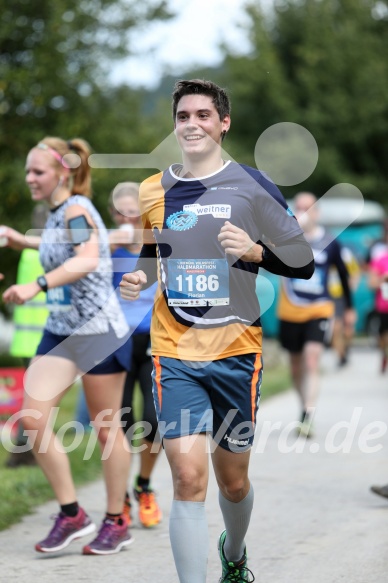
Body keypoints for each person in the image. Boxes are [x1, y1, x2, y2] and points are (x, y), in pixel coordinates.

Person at [119, 79, 314, 583]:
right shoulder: (152, 189)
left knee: (233, 483)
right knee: (186, 477)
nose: (192, 124)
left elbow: (302, 262)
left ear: (223, 123)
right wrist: (139, 274)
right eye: (184, 116)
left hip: (236, 350)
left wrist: (255, 253)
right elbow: (151, 249)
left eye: (203, 115)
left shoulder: (252, 185)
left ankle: (236, 551)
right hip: (173, 349)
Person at [1, 136, 133, 555]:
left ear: (62, 172)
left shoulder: (76, 210)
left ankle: (117, 521)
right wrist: (21, 241)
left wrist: (35, 284)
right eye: (27, 171)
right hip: (61, 330)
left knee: (105, 428)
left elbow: (87, 256)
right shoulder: (60, 214)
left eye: (37, 171)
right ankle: (72, 513)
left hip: (98, 332)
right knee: (34, 417)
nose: (29, 178)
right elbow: (60, 247)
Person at [277, 192, 356, 438]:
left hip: (319, 309)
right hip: (290, 311)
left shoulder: (330, 243)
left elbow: (343, 276)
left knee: (312, 359)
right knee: (295, 366)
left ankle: (308, 416)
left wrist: (349, 309)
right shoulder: (284, 239)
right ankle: (303, 407)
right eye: (298, 208)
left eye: (307, 208)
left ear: (317, 212)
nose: (302, 212)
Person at [110, 181, 162, 528]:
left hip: (154, 340)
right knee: (122, 424)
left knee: (155, 423)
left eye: (135, 213)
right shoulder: (105, 249)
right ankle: (122, 498)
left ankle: (144, 486)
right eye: (123, 213)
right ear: (114, 215)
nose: (129, 219)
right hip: (116, 343)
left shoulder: (158, 247)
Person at [6, 204, 49, 468]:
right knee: (38, 402)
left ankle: (25, 450)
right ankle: (24, 451)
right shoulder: (43, 252)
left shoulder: (27, 252)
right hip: (42, 337)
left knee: (33, 398)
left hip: (27, 338)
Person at [328, 245, 360, 367]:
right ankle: (341, 355)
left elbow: (355, 272)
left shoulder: (345, 253)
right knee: (335, 328)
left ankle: (345, 349)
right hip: (329, 296)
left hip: (343, 295)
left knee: (348, 328)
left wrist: (352, 286)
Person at [368, 247, 388, 373]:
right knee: (384, 338)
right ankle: (384, 356)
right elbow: (371, 284)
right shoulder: (380, 260)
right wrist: (383, 279)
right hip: (384, 306)